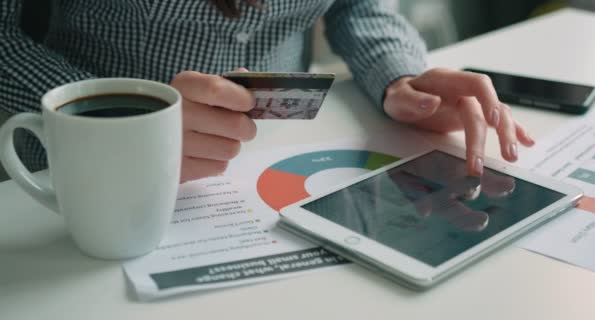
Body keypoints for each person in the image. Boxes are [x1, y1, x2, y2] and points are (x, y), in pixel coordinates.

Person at [0, 0, 535, 183]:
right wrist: (112, 122)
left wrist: (398, 78)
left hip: (285, 164)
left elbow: (357, 5)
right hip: (73, 177)